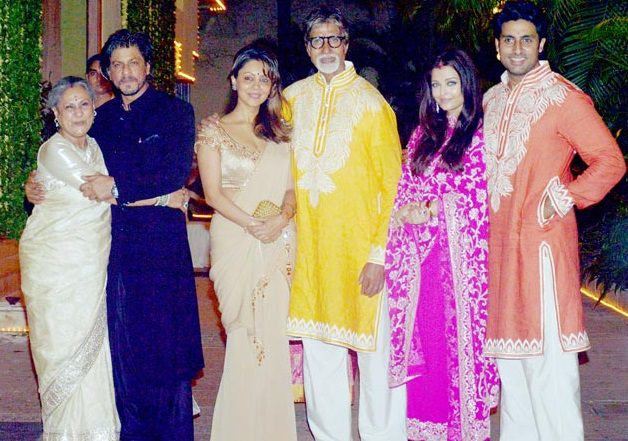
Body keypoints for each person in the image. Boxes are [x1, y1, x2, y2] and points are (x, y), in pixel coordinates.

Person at [25, 30, 204, 440]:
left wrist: (121, 187)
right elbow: (70, 166)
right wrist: (35, 184)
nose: (126, 72)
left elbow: (172, 172)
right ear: (106, 72)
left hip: (159, 253)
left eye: (133, 62)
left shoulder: (175, 112)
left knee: (165, 354)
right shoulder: (100, 119)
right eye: (117, 65)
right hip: (112, 253)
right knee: (121, 355)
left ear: (148, 66)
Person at [484, 2, 626, 440]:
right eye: (509, 39)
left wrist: (567, 196)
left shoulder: (564, 98)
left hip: (542, 250)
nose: (517, 48)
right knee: (512, 373)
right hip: (499, 255)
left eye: (527, 39)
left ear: (541, 44)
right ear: (497, 47)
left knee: (550, 375)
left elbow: (610, 160)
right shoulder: (490, 100)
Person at [284, 6, 406, 440]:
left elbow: (394, 186)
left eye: (334, 38)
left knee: (374, 355)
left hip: (362, 254)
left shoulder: (372, 105)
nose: (326, 47)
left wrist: (379, 255)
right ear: (307, 47)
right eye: (317, 40)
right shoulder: (290, 101)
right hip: (311, 252)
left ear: (346, 44)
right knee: (320, 354)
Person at [385, 49, 500, 440]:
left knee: (456, 350)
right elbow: (405, 185)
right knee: (429, 345)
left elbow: (481, 193)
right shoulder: (423, 134)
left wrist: (434, 207)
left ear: (467, 84)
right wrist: (406, 211)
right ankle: (426, 431)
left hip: (462, 264)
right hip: (422, 259)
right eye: (436, 85)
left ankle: (464, 431)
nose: (443, 92)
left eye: (451, 83)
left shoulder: (481, 132)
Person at [195, 42, 297, 441]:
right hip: (235, 239)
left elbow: (291, 189)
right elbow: (213, 194)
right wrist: (255, 224)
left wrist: (281, 219)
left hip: (277, 242)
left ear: (273, 86)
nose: (256, 86)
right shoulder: (213, 131)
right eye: (249, 77)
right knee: (243, 337)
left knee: (272, 340)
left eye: (264, 79)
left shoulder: (281, 134)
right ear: (233, 81)